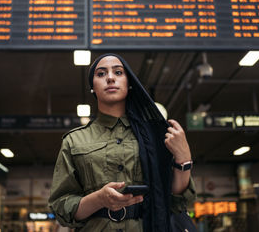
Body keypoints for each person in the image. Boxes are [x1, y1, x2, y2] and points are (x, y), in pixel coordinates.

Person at [49, 54, 196, 231]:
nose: (110, 78)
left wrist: (184, 159)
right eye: (101, 74)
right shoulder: (74, 141)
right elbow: (60, 207)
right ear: (93, 88)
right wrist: (99, 199)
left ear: (129, 83)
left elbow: (178, 202)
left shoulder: (156, 135)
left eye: (118, 72)